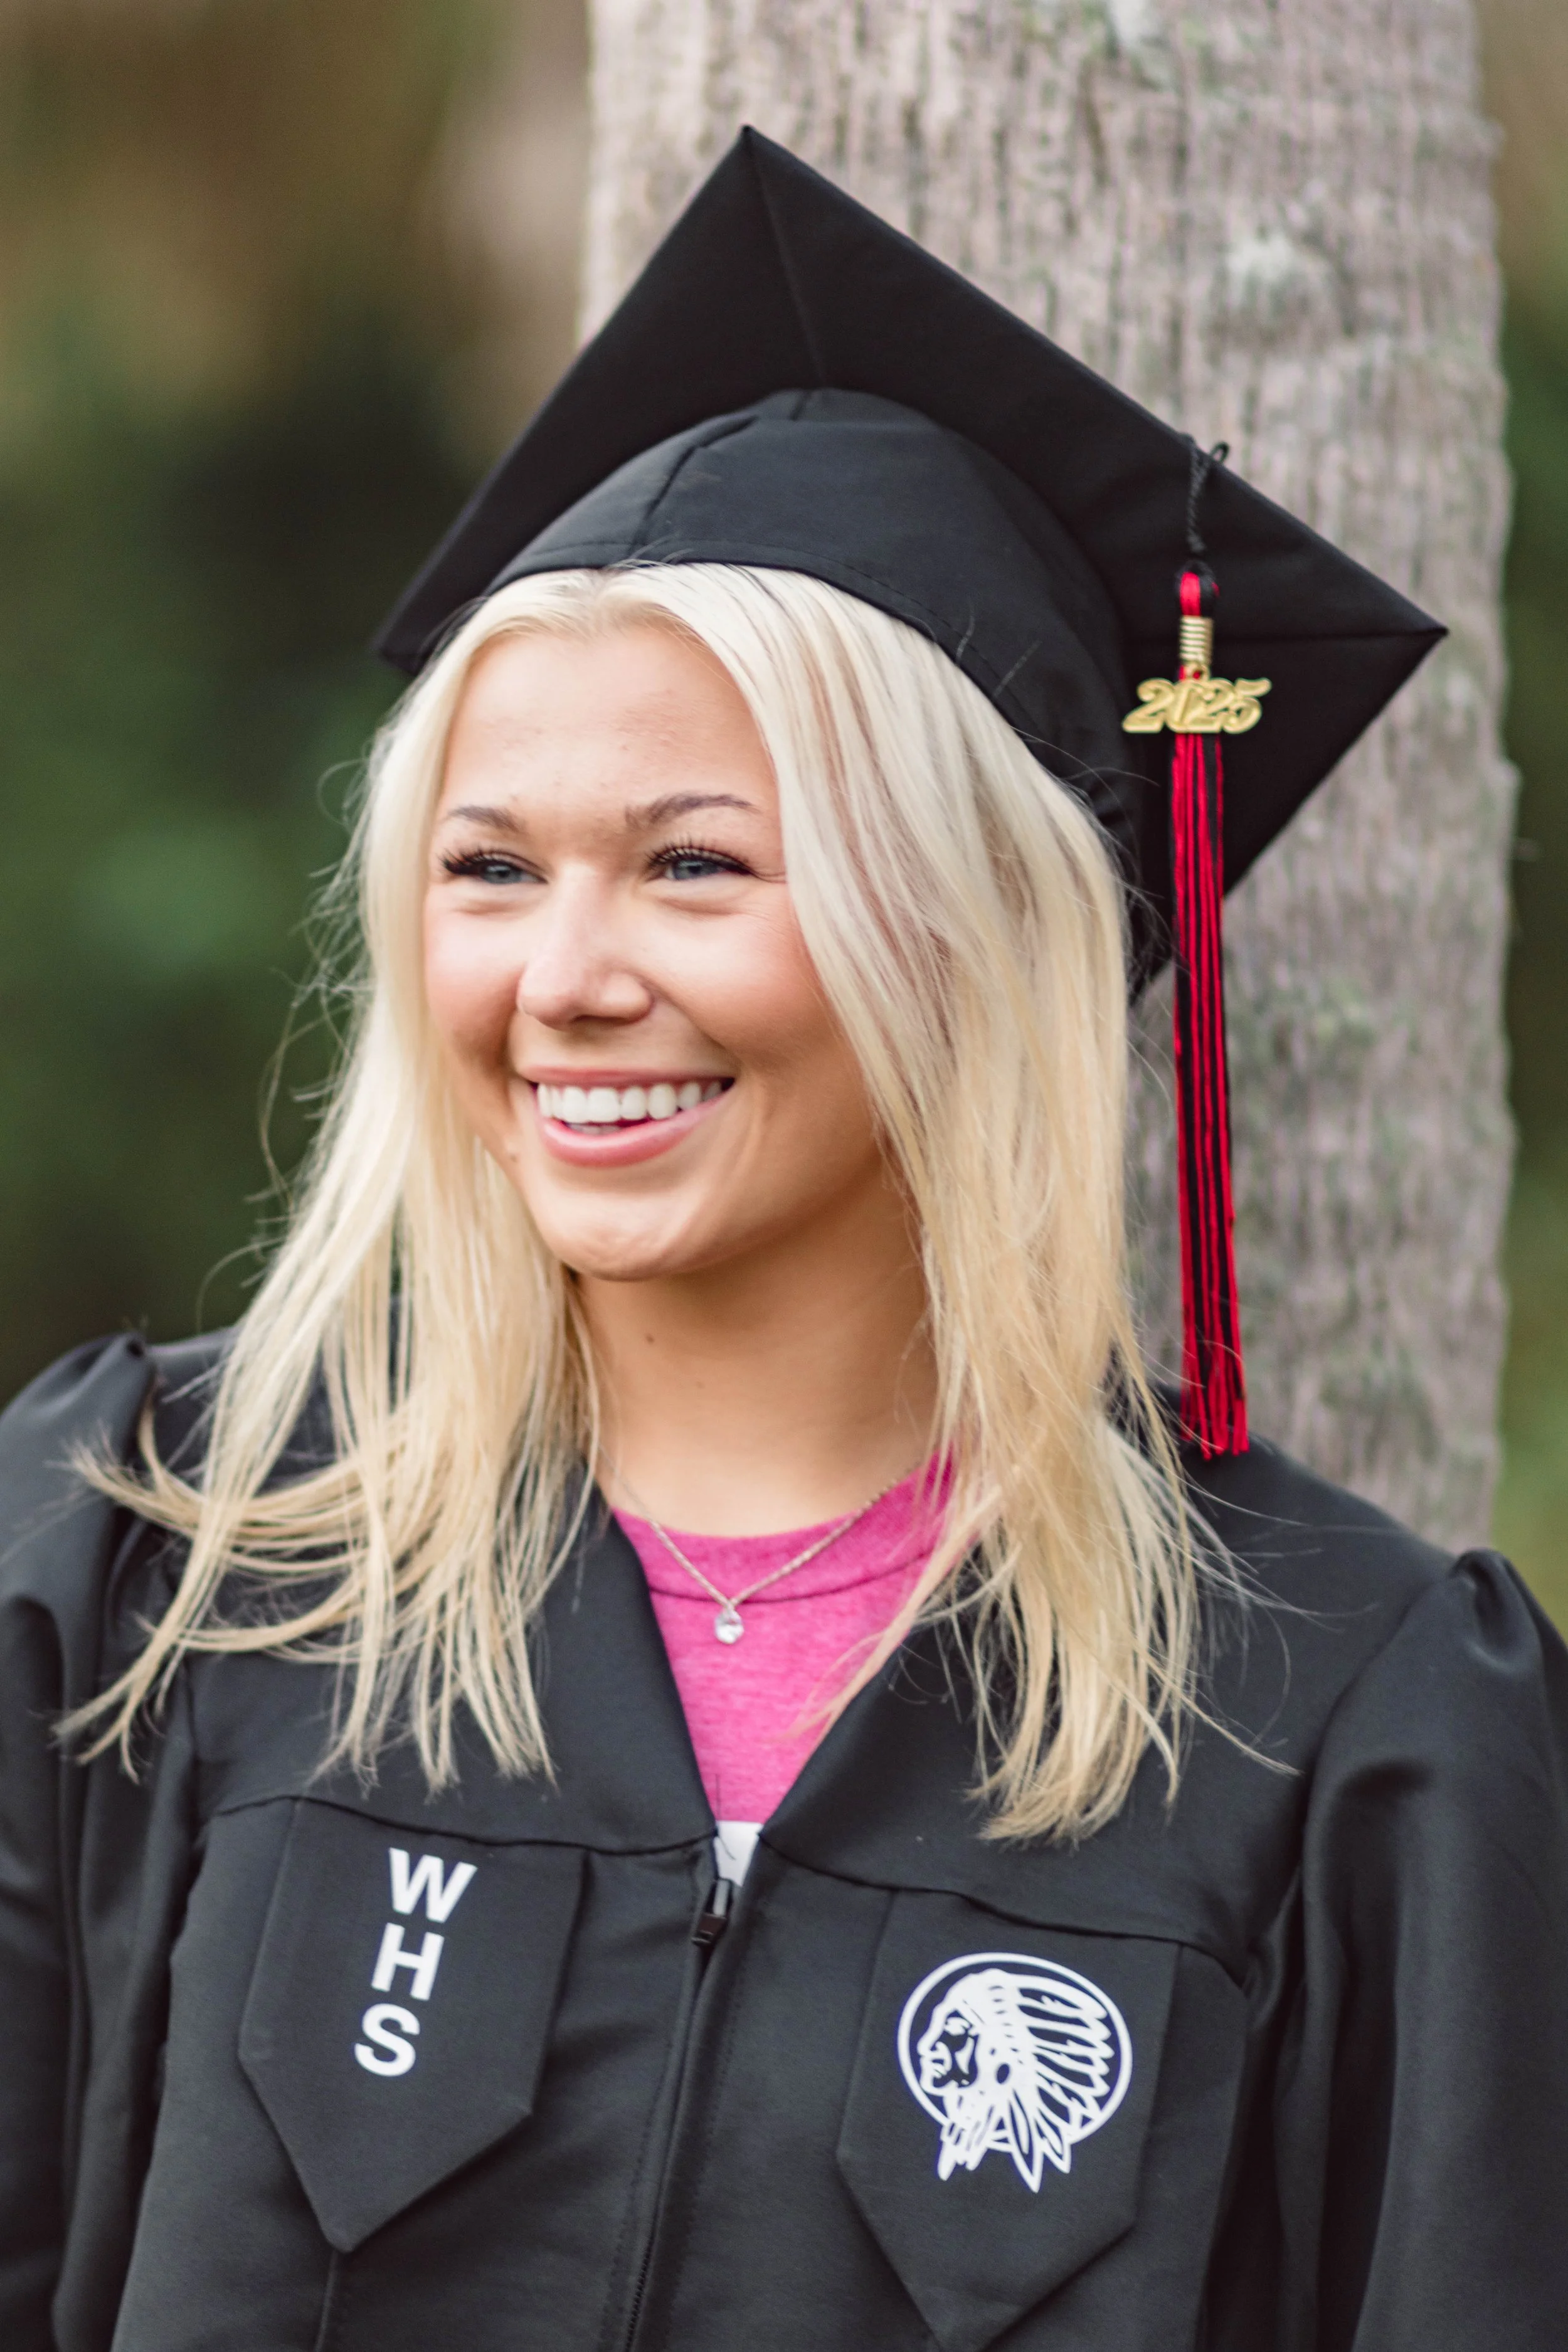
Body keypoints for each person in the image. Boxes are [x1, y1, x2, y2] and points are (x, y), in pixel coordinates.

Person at [1, 130, 1564, 2352]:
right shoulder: (157, 1572)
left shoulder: (1338, 1736)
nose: (565, 975)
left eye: (697, 865)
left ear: (973, 936)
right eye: (490, 867)